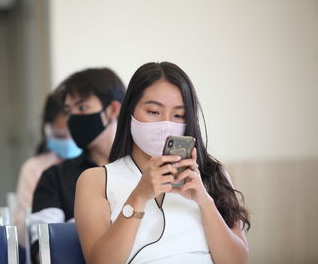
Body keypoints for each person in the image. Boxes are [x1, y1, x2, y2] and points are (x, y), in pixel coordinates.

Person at [75, 62, 251, 264]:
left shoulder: (212, 174)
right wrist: (138, 198)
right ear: (130, 112)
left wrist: (205, 201)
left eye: (179, 115)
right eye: (153, 112)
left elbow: (238, 261)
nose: (166, 124)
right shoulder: (96, 180)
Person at [30, 67, 126, 262]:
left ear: (113, 110)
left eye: (82, 108)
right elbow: (44, 249)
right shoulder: (54, 177)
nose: (72, 118)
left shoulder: (144, 170)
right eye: (68, 111)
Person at [14, 87, 82, 248]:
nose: (68, 141)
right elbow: (23, 232)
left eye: (73, 134)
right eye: (60, 135)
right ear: (47, 129)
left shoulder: (97, 167)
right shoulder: (34, 169)